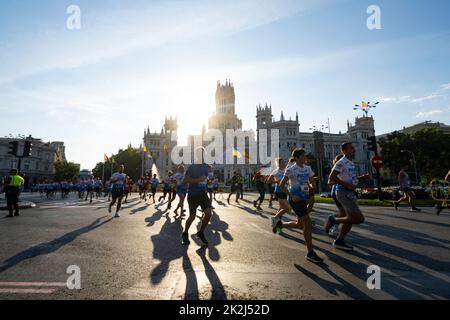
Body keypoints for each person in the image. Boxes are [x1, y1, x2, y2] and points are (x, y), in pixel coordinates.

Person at [274, 148, 323, 263]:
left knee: (299, 224)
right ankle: (310, 252)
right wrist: (291, 194)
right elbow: (282, 185)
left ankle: (280, 225)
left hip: (304, 197)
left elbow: (311, 180)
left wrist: (312, 185)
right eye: (302, 156)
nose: (305, 158)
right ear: (296, 158)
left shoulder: (308, 168)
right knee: (307, 222)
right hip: (295, 199)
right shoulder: (291, 169)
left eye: (305, 156)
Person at [325, 142, 369, 251]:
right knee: (358, 219)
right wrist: (347, 185)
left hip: (348, 192)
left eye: (354, 148)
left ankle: (340, 240)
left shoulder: (351, 162)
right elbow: (332, 177)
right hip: (343, 192)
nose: (354, 150)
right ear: (344, 151)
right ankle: (334, 220)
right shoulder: (341, 162)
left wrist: (360, 179)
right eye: (351, 148)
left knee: (351, 218)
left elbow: (350, 178)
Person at [182, 147, 213, 246]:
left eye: (203, 154)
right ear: (197, 155)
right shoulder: (192, 167)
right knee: (192, 216)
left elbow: (206, 177)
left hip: (203, 193)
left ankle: (200, 232)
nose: (201, 156)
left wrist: (207, 179)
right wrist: (197, 180)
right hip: (193, 194)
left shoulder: (206, 167)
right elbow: (185, 180)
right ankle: (185, 233)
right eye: (199, 154)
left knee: (208, 213)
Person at [267, 158, 289, 233]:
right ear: (279, 164)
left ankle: (278, 227)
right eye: (282, 162)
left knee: (281, 209)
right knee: (286, 208)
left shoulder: (285, 171)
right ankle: (275, 218)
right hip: (279, 191)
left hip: (285, 191)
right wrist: (276, 181)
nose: (284, 164)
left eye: (284, 162)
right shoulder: (276, 171)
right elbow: (269, 180)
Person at [327, 154, 345, 238]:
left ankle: (333, 219)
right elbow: (330, 182)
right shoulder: (336, 168)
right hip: (337, 192)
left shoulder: (345, 168)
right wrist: (340, 182)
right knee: (344, 213)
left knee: (344, 213)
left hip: (344, 192)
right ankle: (334, 225)